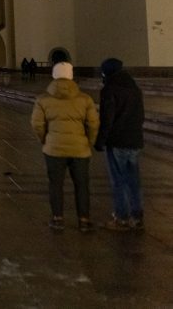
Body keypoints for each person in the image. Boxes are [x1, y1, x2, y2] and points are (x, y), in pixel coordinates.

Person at [31, 61, 99, 232]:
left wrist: (45, 139)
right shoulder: (85, 99)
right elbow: (93, 123)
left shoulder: (43, 100)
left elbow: (36, 124)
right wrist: (88, 141)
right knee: (82, 184)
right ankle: (84, 219)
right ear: (71, 75)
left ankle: (57, 218)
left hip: (53, 148)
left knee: (55, 184)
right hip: (79, 149)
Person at [95, 58, 145, 231]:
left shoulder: (109, 89)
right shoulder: (135, 89)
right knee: (134, 180)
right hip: (135, 140)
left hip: (117, 141)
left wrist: (100, 140)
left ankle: (121, 217)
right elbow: (141, 116)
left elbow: (107, 119)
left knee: (118, 180)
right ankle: (137, 216)